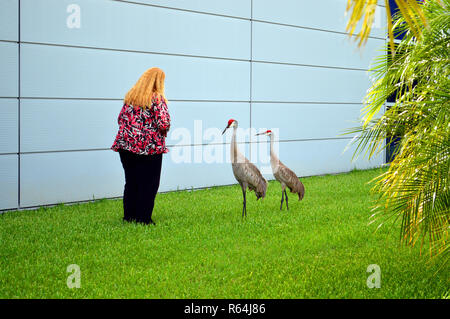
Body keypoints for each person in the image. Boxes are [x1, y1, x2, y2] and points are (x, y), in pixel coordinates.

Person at [111, 67, 170, 225]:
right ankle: (143, 219)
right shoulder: (156, 98)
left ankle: (129, 216)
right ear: (158, 81)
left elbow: (120, 119)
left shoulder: (131, 96)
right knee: (149, 183)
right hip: (148, 148)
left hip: (125, 146)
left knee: (132, 182)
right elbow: (163, 123)